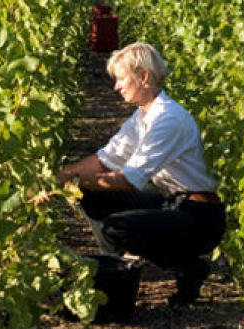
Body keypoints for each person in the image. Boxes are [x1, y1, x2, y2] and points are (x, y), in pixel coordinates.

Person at [57, 43, 225, 305]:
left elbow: (128, 179)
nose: (116, 87)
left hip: (200, 217)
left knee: (117, 227)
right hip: (173, 203)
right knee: (90, 192)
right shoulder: (143, 116)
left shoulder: (168, 119)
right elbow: (105, 160)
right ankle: (118, 269)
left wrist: (71, 180)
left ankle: (187, 265)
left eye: (122, 79)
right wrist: (60, 176)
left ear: (143, 76)